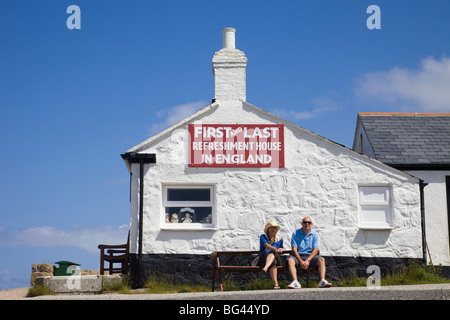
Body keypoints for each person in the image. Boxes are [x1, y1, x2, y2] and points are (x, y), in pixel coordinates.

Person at [287, 216, 332, 289]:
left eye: (309, 222)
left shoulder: (315, 234)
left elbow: (315, 250)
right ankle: (295, 282)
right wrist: (300, 261)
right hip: (298, 256)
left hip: (310, 256)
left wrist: (308, 260)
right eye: (305, 222)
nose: (307, 224)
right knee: (290, 260)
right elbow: (294, 249)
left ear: (311, 224)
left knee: (321, 260)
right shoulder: (295, 233)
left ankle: (322, 281)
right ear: (302, 223)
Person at [258, 221, 284, 289]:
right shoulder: (263, 236)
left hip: (275, 257)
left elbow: (281, 247)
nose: (273, 229)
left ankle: (265, 269)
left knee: (273, 254)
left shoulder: (280, 239)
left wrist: (281, 249)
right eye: (271, 227)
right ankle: (276, 284)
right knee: (273, 261)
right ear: (268, 229)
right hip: (264, 258)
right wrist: (273, 248)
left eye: (275, 228)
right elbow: (266, 245)